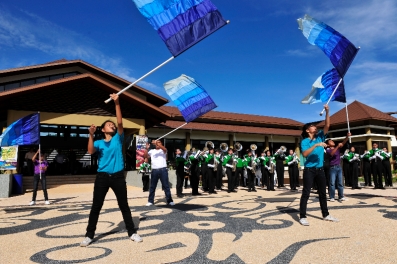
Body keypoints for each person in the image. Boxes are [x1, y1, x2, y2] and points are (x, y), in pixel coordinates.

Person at [80, 93, 142, 247]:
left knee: (124, 205)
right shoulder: (99, 142)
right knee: (96, 206)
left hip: (118, 177)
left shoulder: (118, 138)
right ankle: (89, 235)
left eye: (112, 125)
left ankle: (132, 232)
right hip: (102, 177)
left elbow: (120, 122)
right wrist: (91, 135)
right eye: (109, 124)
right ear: (103, 129)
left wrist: (117, 103)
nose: (112, 125)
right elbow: (90, 151)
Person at [299, 105, 339, 226]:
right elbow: (305, 154)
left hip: (320, 170)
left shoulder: (321, 136)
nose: (315, 127)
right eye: (312, 127)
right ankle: (302, 216)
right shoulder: (305, 141)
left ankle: (326, 214)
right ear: (307, 130)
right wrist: (316, 145)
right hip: (309, 170)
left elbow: (327, 125)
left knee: (322, 192)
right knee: (306, 192)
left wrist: (328, 111)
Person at [144, 139, 174, 206]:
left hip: (163, 170)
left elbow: (164, 149)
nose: (157, 144)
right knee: (152, 186)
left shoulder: (163, 150)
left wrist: (158, 143)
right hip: (154, 170)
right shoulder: (152, 151)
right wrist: (146, 148)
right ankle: (150, 201)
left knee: (166, 186)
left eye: (159, 142)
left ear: (161, 143)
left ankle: (169, 200)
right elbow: (145, 157)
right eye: (156, 143)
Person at [325, 134, 350, 202]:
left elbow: (343, 142)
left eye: (332, 141)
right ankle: (332, 196)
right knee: (332, 183)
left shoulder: (338, 148)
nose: (332, 141)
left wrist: (347, 136)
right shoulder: (328, 150)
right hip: (332, 168)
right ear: (328, 144)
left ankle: (341, 196)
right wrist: (337, 147)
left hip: (339, 167)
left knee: (340, 183)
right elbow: (332, 154)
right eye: (330, 141)